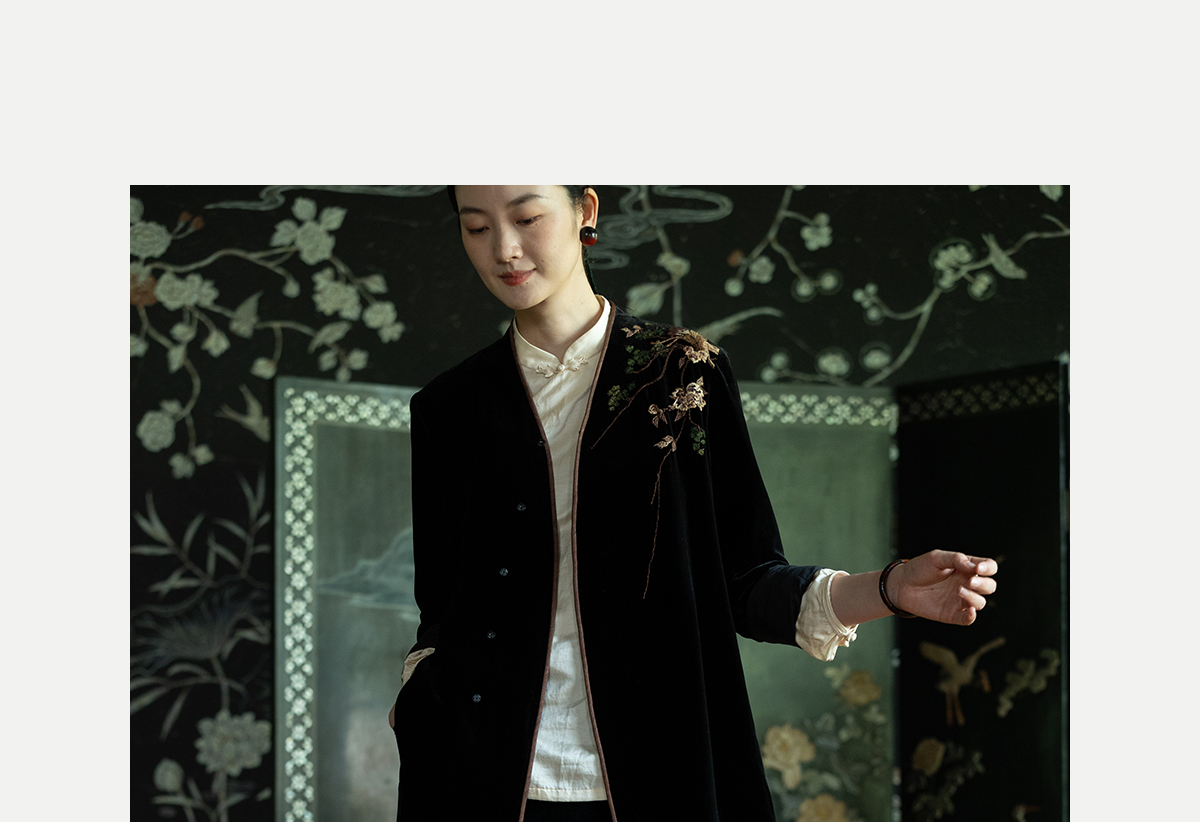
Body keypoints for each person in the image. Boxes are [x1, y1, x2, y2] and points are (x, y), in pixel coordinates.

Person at [388, 186, 998, 822]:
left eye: (527, 217)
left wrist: (890, 589)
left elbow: (746, 578)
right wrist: (418, 698)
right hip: (474, 773)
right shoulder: (448, 409)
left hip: (662, 764)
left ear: (585, 211)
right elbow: (443, 607)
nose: (505, 249)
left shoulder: (684, 373)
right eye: (477, 227)